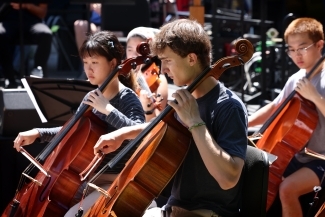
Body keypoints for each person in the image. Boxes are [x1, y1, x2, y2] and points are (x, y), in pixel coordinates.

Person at [92, 19, 248, 217]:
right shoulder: (187, 97)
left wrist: (195, 122)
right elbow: (167, 128)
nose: (163, 69)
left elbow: (229, 178)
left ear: (191, 58)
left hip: (206, 212)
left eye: (167, 60)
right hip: (173, 208)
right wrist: (123, 134)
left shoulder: (228, 106)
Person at [12, 31, 145, 216]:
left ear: (113, 63)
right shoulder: (91, 97)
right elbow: (71, 130)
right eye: (86, 63)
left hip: (112, 181)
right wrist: (38, 133)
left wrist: (108, 110)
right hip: (87, 180)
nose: (88, 69)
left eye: (95, 63)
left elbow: (141, 133)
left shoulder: (127, 98)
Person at [248, 17, 325, 217]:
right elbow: (276, 107)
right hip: (299, 155)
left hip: (322, 159)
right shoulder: (297, 78)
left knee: (287, 188)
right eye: (291, 49)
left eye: (302, 47)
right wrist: (245, 123)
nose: (296, 55)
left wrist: (315, 97)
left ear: (319, 45)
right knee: (256, 170)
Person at [0, 2, 52, 88]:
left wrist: (27, 6)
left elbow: (42, 13)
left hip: (32, 23)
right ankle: (9, 76)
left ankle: (37, 71)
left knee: (46, 34)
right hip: (7, 23)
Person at [126, 26, 169, 122]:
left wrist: (148, 109)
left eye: (139, 50)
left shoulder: (159, 79)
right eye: (130, 50)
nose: (134, 56)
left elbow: (156, 120)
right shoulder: (120, 75)